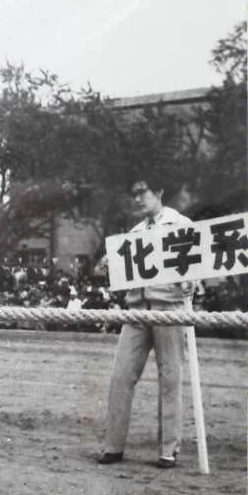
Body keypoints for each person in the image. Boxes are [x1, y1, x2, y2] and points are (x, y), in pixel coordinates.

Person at [95, 178, 194, 469]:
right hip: (137, 311)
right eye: (134, 194)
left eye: (143, 192)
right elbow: (120, 275)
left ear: (159, 191)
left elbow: (196, 267)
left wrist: (191, 282)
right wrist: (109, 266)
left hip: (169, 310)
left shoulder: (181, 224)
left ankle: (168, 450)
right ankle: (113, 446)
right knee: (121, 376)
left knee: (170, 378)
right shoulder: (134, 233)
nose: (138, 199)